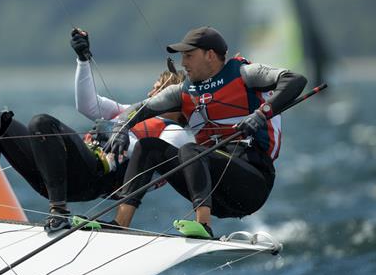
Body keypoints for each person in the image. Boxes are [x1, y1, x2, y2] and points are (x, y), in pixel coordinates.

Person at [0, 29, 193, 232]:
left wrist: (117, 128)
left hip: (93, 178)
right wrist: (83, 60)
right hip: (60, 172)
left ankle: (58, 211)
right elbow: (87, 104)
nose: (149, 94)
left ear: (171, 98)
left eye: (157, 89)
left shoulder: (176, 133)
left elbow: (155, 160)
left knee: (42, 123)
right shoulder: (129, 113)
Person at [104, 26, 307, 238]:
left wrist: (261, 113)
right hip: (213, 191)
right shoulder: (182, 91)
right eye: (182, 57)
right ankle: (121, 224)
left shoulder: (244, 74)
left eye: (189, 56)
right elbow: (139, 109)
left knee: (192, 150)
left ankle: (203, 226)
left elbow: (296, 79)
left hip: (252, 184)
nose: (183, 64)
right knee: (148, 147)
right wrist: (120, 127)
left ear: (210, 55)